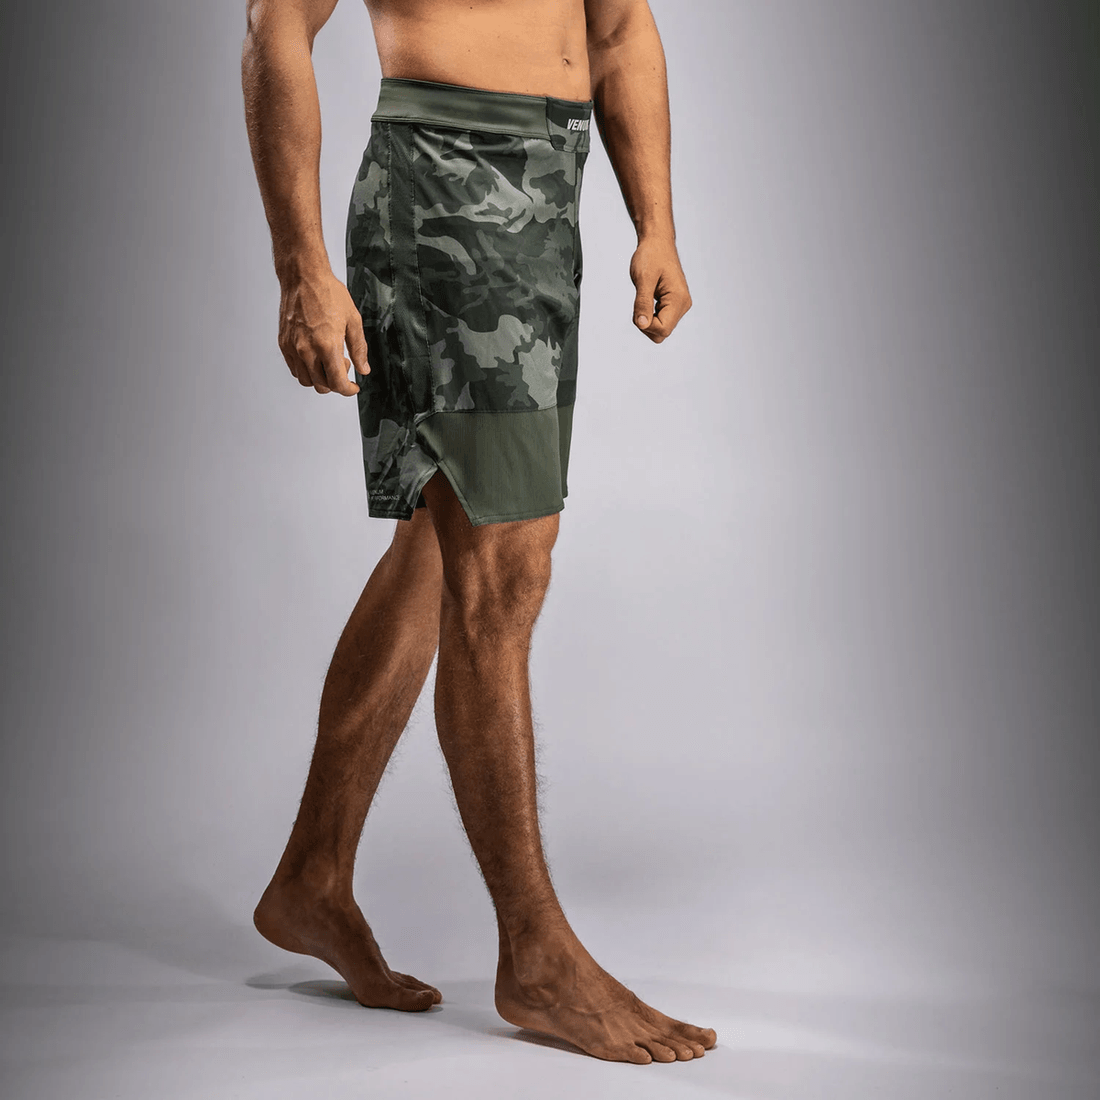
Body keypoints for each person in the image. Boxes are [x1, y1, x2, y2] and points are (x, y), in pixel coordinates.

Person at [241, 0, 714, 1065]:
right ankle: (534, 955)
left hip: (550, 191)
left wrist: (656, 222)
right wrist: (300, 266)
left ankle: (313, 874)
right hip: (444, 186)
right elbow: (275, 23)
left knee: (436, 549)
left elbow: (619, 29)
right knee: (503, 572)